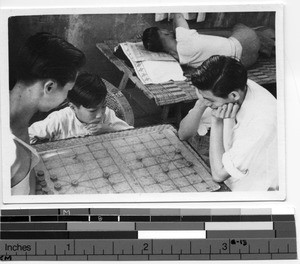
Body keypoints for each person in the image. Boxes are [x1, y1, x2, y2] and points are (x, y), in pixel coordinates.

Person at [178, 55, 278, 191]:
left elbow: (218, 175)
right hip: (230, 165)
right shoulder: (232, 88)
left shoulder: (260, 122)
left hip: (255, 186)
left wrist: (216, 121)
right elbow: (183, 134)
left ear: (234, 96)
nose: (206, 102)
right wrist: (201, 103)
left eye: (209, 100)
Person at [10, 32, 86, 195]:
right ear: (49, 87)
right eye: (68, 90)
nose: (67, 97)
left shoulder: (17, 116)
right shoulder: (7, 141)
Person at [29, 72, 133, 144]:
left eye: (103, 106)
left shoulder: (107, 115)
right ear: (73, 107)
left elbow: (133, 135)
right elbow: (28, 135)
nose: (100, 114)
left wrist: (110, 129)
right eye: (92, 110)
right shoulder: (60, 120)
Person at [142, 13, 261, 68]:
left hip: (245, 63)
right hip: (247, 43)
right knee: (238, 26)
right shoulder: (185, 38)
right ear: (164, 32)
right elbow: (178, 15)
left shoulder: (179, 57)